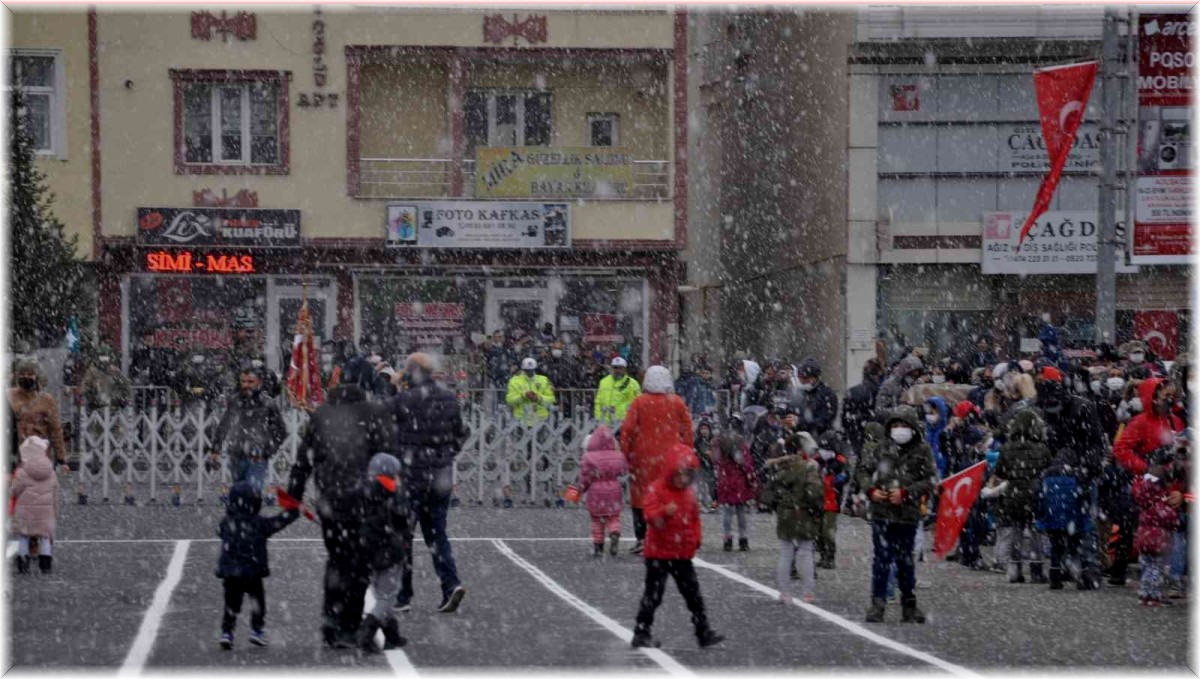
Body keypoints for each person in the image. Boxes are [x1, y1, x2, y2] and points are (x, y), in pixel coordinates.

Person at [286, 373, 397, 648]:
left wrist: (292, 498)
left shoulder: (321, 415)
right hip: (364, 502)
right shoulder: (375, 413)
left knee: (337, 560)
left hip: (330, 502)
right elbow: (388, 458)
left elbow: (303, 461)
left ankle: (331, 621)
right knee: (360, 566)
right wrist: (392, 497)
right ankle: (349, 625)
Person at [389, 353, 468, 614]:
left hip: (411, 477)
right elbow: (460, 434)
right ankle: (451, 584)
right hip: (440, 477)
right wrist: (446, 455)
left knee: (403, 536)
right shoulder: (449, 399)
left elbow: (382, 427)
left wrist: (393, 386)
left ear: (413, 372)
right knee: (437, 536)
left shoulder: (403, 400)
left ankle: (403, 595)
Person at [630, 442, 724, 650]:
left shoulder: (688, 494)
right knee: (654, 595)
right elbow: (649, 516)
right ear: (670, 472)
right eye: (679, 474)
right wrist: (664, 512)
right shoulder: (657, 489)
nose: (682, 479)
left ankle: (703, 631)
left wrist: (696, 539)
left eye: (686, 475)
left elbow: (694, 519)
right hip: (658, 553)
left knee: (693, 594)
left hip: (681, 553)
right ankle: (641, 631)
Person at [857, 406, 937, 623]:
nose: (899, 430)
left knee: (905, 561)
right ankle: (878, 603)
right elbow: (863, 471)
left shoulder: (922, 450)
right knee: (881, 559)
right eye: (896, 425)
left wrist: (906, 493)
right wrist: (871, 490)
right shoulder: (881, 448)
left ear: (913, 428)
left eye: (904, 425)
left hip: (907, 514)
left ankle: (909, 604)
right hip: (882, 513)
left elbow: (930, 480)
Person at [1036, 373, 1108, 589]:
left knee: (1083, 526)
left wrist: (1086, 469)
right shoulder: (1054, 413)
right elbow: (1051, 443)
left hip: (1078, 472)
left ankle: (1084, 569)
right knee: (1076, 525)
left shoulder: (1082, 408)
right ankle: (1078, 568)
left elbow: (1095, 443)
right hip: (1063, 473)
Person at [215, 482, 299, 649]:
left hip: (231, 572)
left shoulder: (226, 522)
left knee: (231, 604)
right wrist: (293, 512)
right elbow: (278, 522)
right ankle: (257, 630)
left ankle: (227, 632)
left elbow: (220, 531)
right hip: (253, 571)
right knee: (257, 602)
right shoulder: (259, 523)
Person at [621, 365, 694, 555]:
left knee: (640, 499)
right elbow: (687, 430)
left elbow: (627, 431)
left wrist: (626, 453)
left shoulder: (638, 403)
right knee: (670, 496)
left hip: (642, 459)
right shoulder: (677, 402)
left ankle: (642, 538)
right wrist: (686, 454)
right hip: (671, 459)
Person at [354, 453, 411, 652]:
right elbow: (403, 521)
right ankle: (366, 633)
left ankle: (392, 636)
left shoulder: (364, 492)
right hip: (390, 550)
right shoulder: (393, 493)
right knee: (387, 596)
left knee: (382, 591)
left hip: (371, 550)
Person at [761, 433, 824, 604]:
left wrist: (778, 506)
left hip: (784, 512)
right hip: (803, 511)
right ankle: (808, 592)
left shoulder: (779, 467)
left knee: (785, 553)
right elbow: (815, 493)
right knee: (806, 552)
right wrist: (817, 509)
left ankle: (784, 592)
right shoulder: (809, 467)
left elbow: (768, 494)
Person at [993, 409, 1053, 584]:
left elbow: (1000, 472)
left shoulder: (1007, 448)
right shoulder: (1042, 448)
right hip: (1035, 495)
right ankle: (1036, 570)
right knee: (1036, 533)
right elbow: (1048, 470)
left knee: (1016, 532)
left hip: (1013, 496)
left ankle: (1015, 570)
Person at [211, 366, 287, 491]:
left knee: (252, 492)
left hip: (258, 457)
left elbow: (281, 431)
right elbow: (224, 426)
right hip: (236, 455)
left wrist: (268, 451)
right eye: (243, 381)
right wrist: (215, 450)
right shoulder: (234, 401)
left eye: (250, 382)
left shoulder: (268, 404)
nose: (246, 385)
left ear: (259, 382)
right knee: (239, 492)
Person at [1132, 447, 1181, 606]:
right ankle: (1155, 595)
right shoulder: (1159, 502)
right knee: (1156, 568)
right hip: (1157, 540)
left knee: (1146, 567)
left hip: (1144, 538)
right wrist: (1174, 516)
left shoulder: (1145, 502)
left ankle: (1144, 594)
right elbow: (1169, 517)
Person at [1038, 449, 1089, 590]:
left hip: (1052, 517)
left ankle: (1055, 578)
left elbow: (1041, 497)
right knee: (1076, 548)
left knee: (1056, 548)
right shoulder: (1077, 475)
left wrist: (1041, 515)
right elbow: (1083, 497)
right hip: (1073, 517)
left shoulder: (1046, 475)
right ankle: (1080, 577)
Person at [10, 437, 59, 575]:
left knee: (23, 536)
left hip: (25, 512)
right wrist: (55, 511)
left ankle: (23, 562)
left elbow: (14, 490)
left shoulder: (22, 472)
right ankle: (45, 563)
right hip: (45, 513)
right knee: (45, 537)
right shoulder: (51, 472)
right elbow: (55, 493)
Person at [8, 359, 68, 470]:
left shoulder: (47, 400)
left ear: (37, 377)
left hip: (39, 454)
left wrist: (61, 458)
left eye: (30, 374)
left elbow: (55, 430)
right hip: (14, 455)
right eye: (22, 374)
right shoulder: (9, 396)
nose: (26, 377)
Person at [578, 425, 628, 558]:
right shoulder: (618, 455)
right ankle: (614, 531)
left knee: (596, 520)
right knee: (613, 517)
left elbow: (584, 478)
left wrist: (580, 489)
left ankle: (598, 546)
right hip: (614, 490)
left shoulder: (588, 457)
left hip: (596, 492)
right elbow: (623, 470)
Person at [714, 422, 760, 551]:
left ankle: (727, 539)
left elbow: (715, 461)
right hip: (739, 482)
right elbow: (747, 464)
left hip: (725, 482)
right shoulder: (740, 444)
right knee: (741, 513)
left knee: (727, 513)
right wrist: (752, 479)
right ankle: (743, 539)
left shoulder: (720, 444)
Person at [815, 430, 849, 570]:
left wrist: (833, 480)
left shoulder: (840, 460)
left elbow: (845, 476)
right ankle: (823, 555)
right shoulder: (817, 459)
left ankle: (830, 557)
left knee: (828, 531)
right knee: (817, 531)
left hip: (832, 499)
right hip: (817, 498)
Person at [843, 359, 884, 456]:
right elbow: (880, 414)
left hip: (854, 433)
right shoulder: (879, 392)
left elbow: (844, 418)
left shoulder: (852, 391)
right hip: (872, 433)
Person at [792, 358, 838, 438]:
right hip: (799, 439)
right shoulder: (799, 393)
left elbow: (824, 422)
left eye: (805, 378)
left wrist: (800, 421)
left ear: (814, 378)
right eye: (800, 378)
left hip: (821, 439)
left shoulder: (828, 394)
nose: (801, 381)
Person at [594, 357, 642, 428]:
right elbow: (598, 402)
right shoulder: (603, 382)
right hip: (604, 424)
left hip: (622, 424)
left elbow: (638, 404)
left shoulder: (632, 384)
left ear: (625, 369)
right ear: (611, 368)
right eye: (615, 367)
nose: (618, 370)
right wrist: (598, 419)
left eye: (620, 368)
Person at [506, 357, 555, 425]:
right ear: (523, 369)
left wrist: (538, 398)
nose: (529, 372)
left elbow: (551, 399)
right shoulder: (514, 381)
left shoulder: (544, 380)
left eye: (531, 370)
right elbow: (510, 400)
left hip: (540, 420)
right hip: (521, 420)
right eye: (527, 370)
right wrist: (523, 396)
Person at [694, 417, 718, 512]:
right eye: (702, 429)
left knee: (712, 484)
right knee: (701, 485)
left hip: (711, 465)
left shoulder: (713, 440)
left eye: (706, 429)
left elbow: (716, 453)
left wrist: (711, 454)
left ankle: (714, 501)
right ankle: (702, 502)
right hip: (701, 465)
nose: (704, 431)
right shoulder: (697, 441)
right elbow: (695, 451)